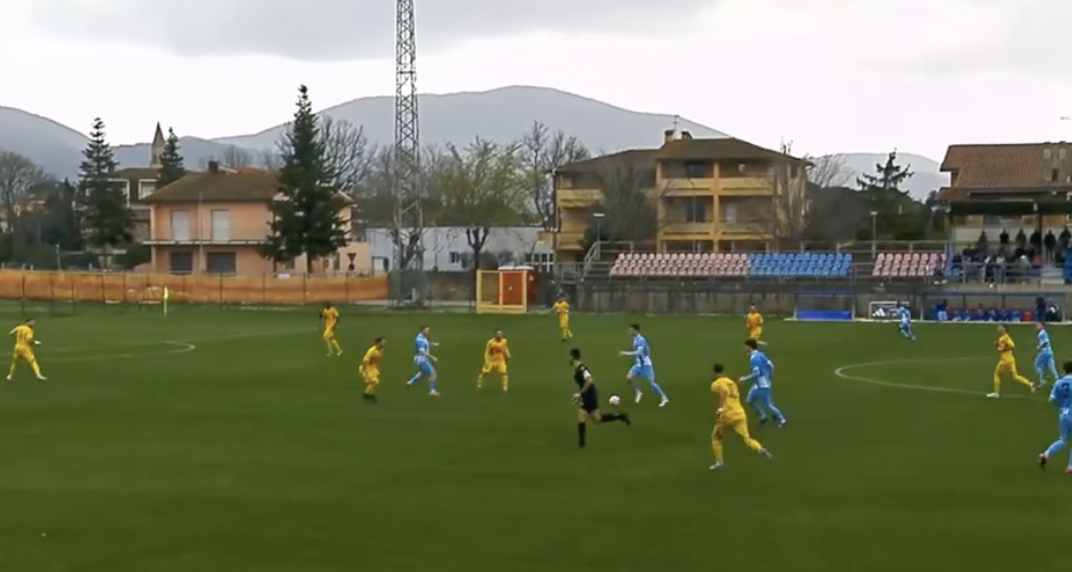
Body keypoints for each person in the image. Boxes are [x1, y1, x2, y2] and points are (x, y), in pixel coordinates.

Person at [711, 363, 770, 470]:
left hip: (727, 416)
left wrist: (720, 408)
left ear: (715, 372)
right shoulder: (731, 382)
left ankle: (719, 462)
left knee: (716, 438)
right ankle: (760, 449)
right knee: (747, 439)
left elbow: (723, 391)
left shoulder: (717, 383)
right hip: (740, 414)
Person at [571, 348, 630, 448]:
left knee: (581, 414)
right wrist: (580, 396)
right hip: (588, 395)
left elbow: (589, 381)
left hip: (590, 396)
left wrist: (579, 394)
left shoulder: (582, 369)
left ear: (572, 357)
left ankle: (582, 443)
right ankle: (620, 416)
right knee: (597, 420)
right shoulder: (578, 369)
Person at [619, 324, 669, 407]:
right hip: (639, 365)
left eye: (631, 330)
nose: (629, 332)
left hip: (646, 365)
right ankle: (638, 392)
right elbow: (646, 349)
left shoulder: (641, 340)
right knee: (629, 378)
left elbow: (639, 352)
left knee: (651, 383)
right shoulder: (635, 339)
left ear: (636, 330)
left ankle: (664, 397)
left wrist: (625, 353)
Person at [740, 339, 786, 427]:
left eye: (745, 346)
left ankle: (781, 419)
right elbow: (771, 365)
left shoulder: (753, 359)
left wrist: (744, 379)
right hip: (762, 383)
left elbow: (756, 373)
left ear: (749, 347)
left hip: (762, 386)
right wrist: (768, 376)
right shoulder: (761, 354)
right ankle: (762, 417)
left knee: (768, 405)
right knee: (749, 400)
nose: (744, 348)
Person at [1038, 362, 1072, 474]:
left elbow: (1052, 398)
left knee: (1062, 439)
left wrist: (1062, 405)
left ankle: (1046, 454)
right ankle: (1070, 466)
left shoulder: (1058, 383)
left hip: (1063, 414)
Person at [988, 325, 1035, 398]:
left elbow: (1011, 346)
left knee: (996, 375)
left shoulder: (1004, 338)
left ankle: (996, 393)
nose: (998, 329)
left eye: (1000, 327)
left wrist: (1002, 348)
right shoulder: (1005, 337)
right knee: (1015, 376)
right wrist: (998, 345)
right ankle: (1030, 384)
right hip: (1010, 359)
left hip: (1005, 361)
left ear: (1004, 329)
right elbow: (1007, 346)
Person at [405, 326, 439, 396]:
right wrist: (432, 357)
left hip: (423, 359)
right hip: (421, 359)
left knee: (423, 373)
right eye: (427, 330)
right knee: (433, 373)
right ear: (422, 330)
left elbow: (427, 342)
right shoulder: (419, 340)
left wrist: (434, 344)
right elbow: (422, 352)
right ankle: (432, 391)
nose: (428, 332)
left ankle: (409, 382)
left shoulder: (423, 337)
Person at [360, 337, 385, 403]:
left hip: (373, 368)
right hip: (368, 367)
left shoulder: (381, 350)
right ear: (378, 343)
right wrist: (365, 371)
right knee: (375, 382)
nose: (384, 344)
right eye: (382, 342)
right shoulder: (371, 350)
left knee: (374, 383)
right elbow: (365, 361)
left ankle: (369, 395)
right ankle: (366, 395)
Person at [1036, 321, 1059, 387]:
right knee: (1052, 366)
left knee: (1037, 364)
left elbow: (1046, 342)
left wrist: (1040, 346)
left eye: (1038, 325)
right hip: (1049, 352)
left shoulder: (1042, 333)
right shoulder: (1044, 333)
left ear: (1042, 326)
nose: (1037, 326)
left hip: (1044, 352)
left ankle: (1042, 380)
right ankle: (1057, 380)